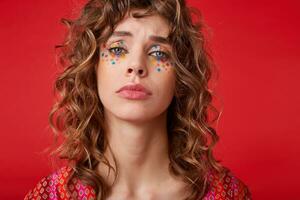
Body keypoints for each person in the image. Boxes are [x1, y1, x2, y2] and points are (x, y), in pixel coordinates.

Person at [25, 0, 251, 199]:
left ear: (181, 78)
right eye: (117, 49)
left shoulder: (227, 194)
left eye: (159, 53)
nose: (136, 65)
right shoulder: (53, 195)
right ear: (92, 68)